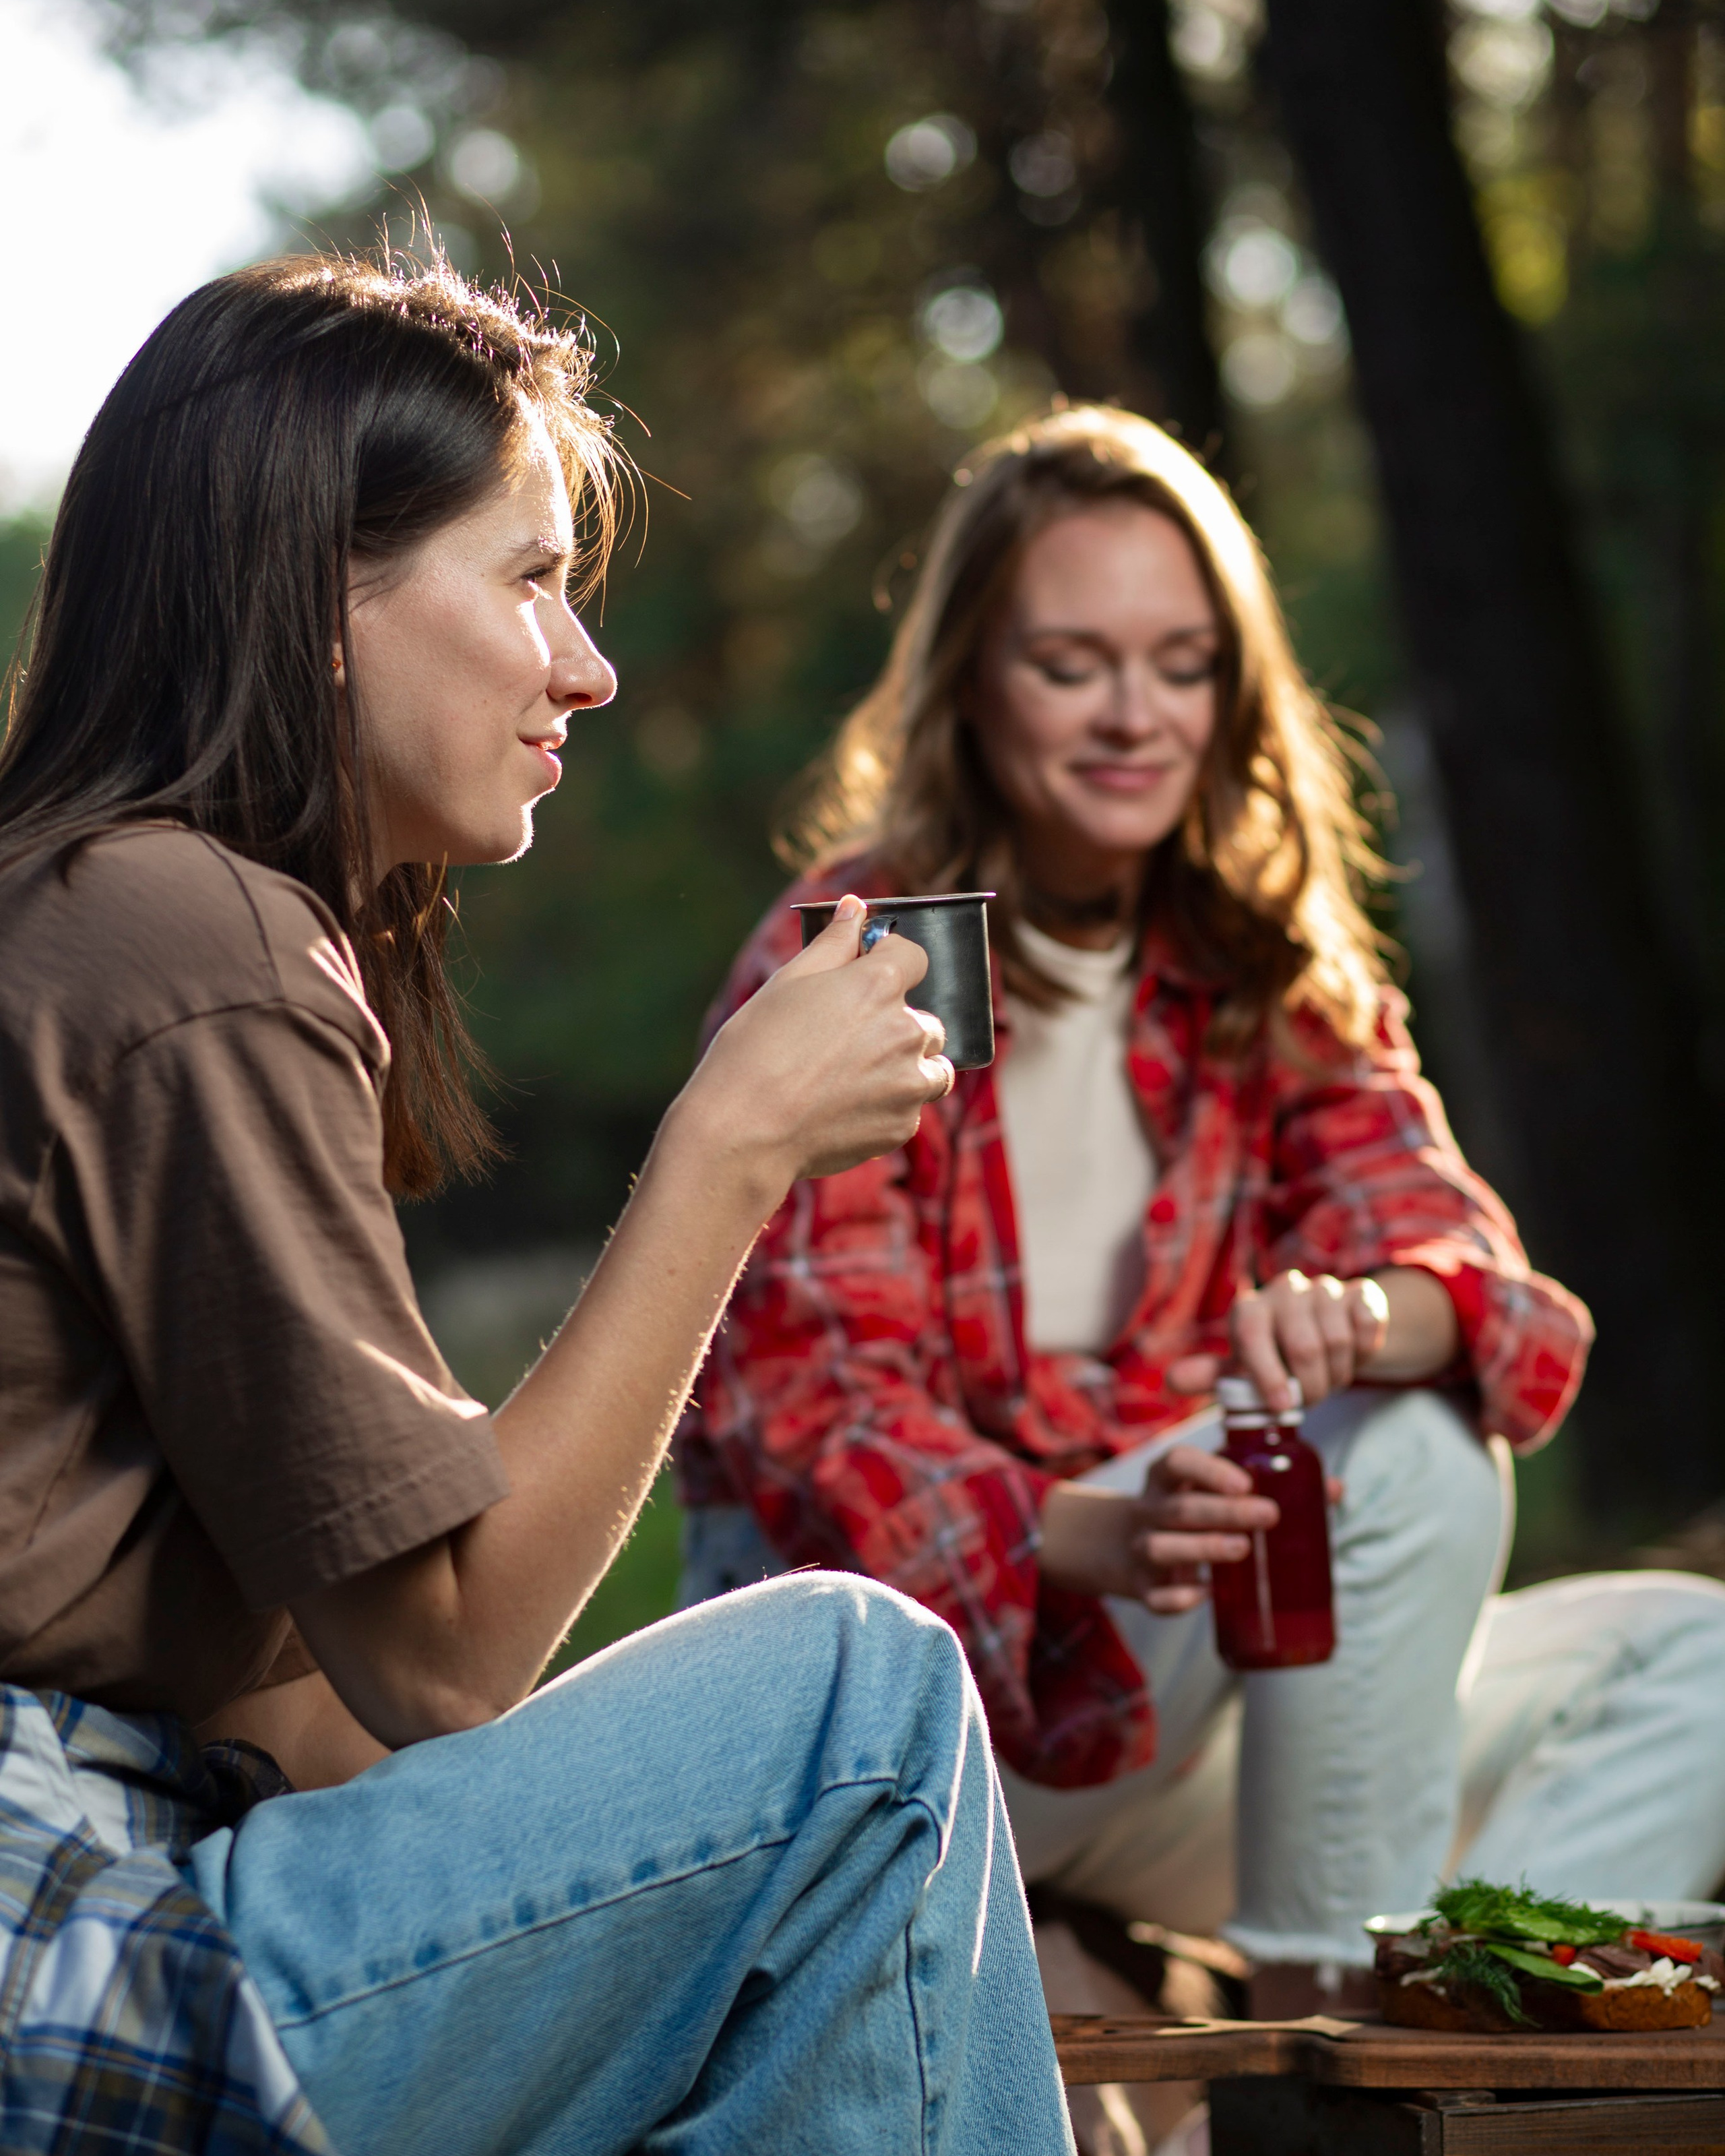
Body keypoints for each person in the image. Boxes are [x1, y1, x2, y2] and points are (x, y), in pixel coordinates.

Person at [0, 255, 1077, 2156]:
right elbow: (445, 1658)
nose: (585, 667)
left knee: (794, 1825)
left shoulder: (107, 915)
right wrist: (725, 1155)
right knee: (866, 1707)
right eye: (529, 578)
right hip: (54, 1951)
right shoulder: (187, 940)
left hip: (97, 1888)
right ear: (319, 598)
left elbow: (352, 1693)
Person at [681, 406, 1725, 2018]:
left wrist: (1375, 1313)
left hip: (1176, 1705)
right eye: (1070, 663)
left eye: (1180, 664)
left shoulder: (1259, 968)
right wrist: (1088, 1531)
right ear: (970, 675)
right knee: (1387, 1461)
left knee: (1691, 1657)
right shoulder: (862, 956)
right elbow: (813, 1421)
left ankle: (1391, 2014)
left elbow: (1507, 1314)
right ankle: (1320, 2040)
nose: (1133, 716)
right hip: (914, 1711)